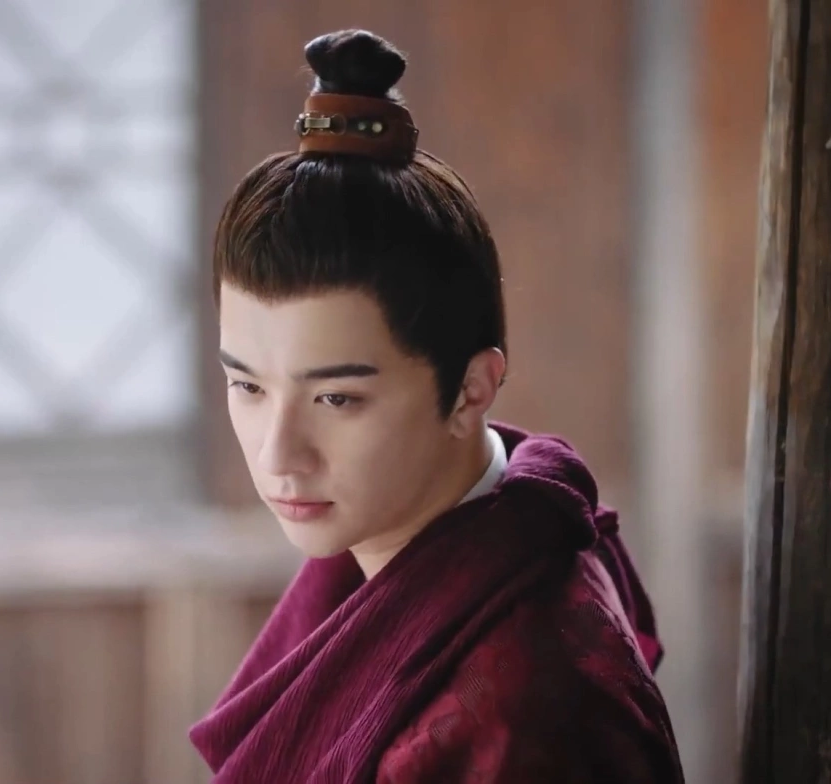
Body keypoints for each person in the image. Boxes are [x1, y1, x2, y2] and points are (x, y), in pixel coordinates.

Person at [187, 29, 685, 784]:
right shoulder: (395, 533)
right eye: (249, 387)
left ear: (471, 389)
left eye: (336, 397)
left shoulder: (523, 706)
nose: (277, 454)